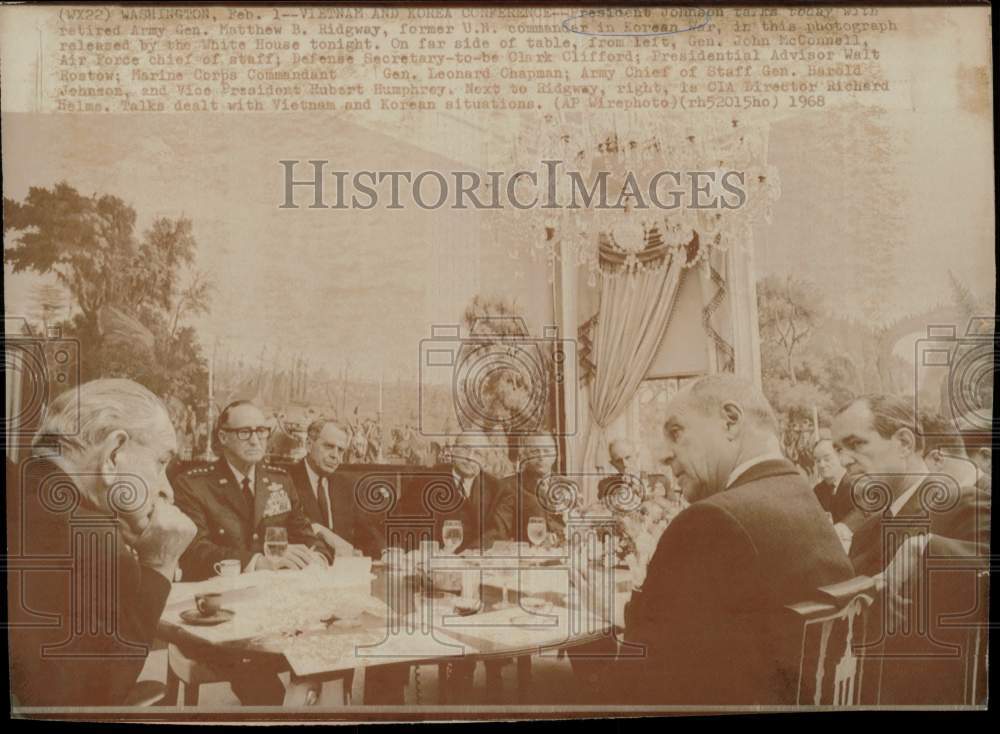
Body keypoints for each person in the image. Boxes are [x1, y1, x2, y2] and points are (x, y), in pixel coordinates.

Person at [621, 375, 854, 704]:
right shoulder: (799, 494)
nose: (664, 456)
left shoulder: (711, 520)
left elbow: (642, 671)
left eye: (676, 433)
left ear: (730, 421)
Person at [8, 379, 197, 706]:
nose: (168, 490)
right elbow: (93, 700)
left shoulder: (24, 491)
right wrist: (160, 563)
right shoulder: (90, 539)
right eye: (161, 462)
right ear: (113, 454)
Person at [831, 394, 990, 704]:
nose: (844, 460)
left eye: (856, 444)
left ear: (904, 442)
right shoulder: (868, 528)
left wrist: (924, 547)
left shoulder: (964, 504)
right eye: (839, 449)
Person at [172, 400, 332, 582]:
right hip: (221, 593)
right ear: (223, 437)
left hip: (274, 590)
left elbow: (305, 534)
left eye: (261, 432)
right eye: (245, 432)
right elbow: (195, 551)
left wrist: (317, 559)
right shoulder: (193, 485)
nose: (255, 441)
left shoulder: (280, 480)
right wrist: (257, 562)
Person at [288, 418, 362, 556]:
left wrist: (386, 551)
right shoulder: (286, 480)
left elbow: (366, 528)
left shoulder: (345, 484)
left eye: (340, 450)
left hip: (343, 568)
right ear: (309, 445)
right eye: (328, 446)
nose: (335, 456)